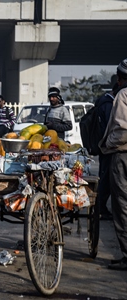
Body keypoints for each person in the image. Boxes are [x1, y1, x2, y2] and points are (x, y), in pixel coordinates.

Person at [99, 58, 127, 270]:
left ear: (119, 78)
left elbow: (120, 132)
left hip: (122, 155)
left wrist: (106, 144)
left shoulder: (122, 96)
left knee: (122, 205)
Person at [95, 83, 118, 220]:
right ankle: (101, 208)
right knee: (106, 180)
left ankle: (101, 207)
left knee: (104, 177)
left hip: (103, 146)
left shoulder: (102, 102)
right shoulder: (108, 105)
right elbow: (111, 127)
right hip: (108, 147)